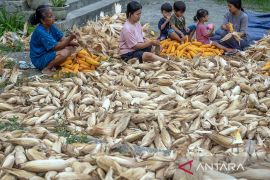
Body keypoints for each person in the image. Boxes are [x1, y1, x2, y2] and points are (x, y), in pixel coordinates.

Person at [29, 5, 78, 75]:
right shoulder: (40, 31)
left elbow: (63, 39)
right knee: (65, 52)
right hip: (39, 59)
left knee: (71, 48)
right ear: (42, 20)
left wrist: (78, 43)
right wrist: (71, 37)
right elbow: (57, 47)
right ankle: (46, 68)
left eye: (53, 15)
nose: (53, 18)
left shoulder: (51, 26)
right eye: (50, 16)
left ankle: (55, 63)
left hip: (48, 52)